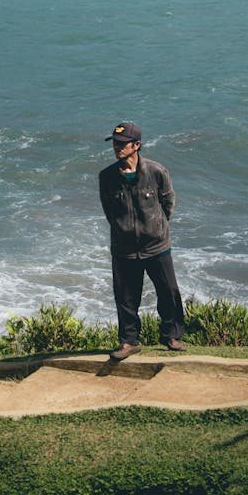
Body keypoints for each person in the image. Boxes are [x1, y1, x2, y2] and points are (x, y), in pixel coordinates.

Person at [98, 120, 186, 360]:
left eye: (123, 143)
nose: (117, 147)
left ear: (137, 145)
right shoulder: (106, 177)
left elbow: (168, 202)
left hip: (157, 245)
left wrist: (156, 228)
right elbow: (109, 211)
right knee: (125, 297)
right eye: (115, 143)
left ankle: (172, 335)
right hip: (124, 249)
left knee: (169, 292)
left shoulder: (156, 171)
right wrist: (123, 230)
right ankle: (129, 342)